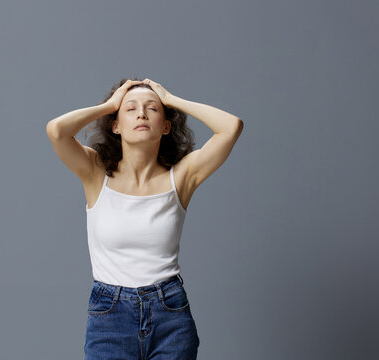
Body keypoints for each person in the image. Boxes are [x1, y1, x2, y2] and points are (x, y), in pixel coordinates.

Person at [46, 77, 243, 359]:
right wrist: (109, 105)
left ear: (166, 126)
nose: (141, 113)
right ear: (115, 125)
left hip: (170, 315)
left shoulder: (182, 176)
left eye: (152, 108)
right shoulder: (95, 172)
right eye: (130, 109)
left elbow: (231, 127)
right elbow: (56, 131)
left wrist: (171, 99)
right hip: (109, 317)